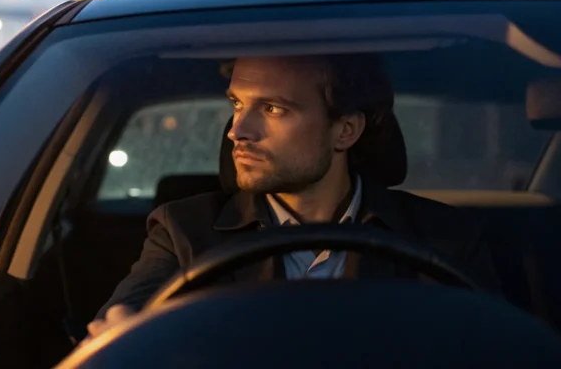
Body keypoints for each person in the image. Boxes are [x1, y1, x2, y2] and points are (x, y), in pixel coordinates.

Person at [85, 53, 501, 341]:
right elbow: (120, 326)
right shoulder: (183, 232)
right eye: (237, 104)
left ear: (345, 131)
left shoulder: (444, 237)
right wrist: (122, 333)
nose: (237, 131)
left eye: (272, 109)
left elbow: (494, 349)